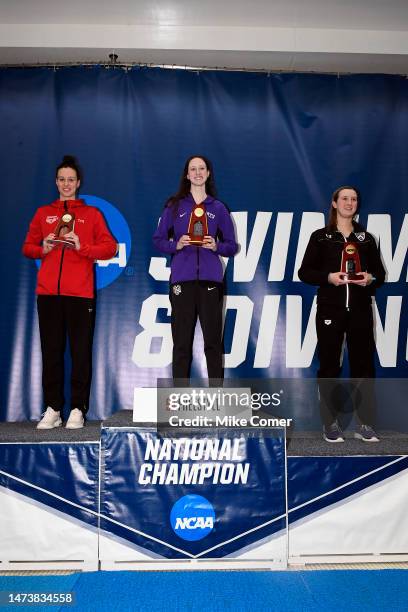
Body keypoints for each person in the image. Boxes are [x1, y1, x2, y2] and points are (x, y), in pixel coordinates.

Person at [23, 155, 117, 429]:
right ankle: (53, 408)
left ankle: (77, 408)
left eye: (71, 180)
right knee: (51, 352)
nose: (66, 184)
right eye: (62, 179)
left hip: (80, 295)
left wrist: (82, 248)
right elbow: (27, 247)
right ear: (56, 182)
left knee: (80, 352)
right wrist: (44, 247)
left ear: (78, 183)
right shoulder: (43, 213)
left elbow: (110, 248)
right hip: (49, 294)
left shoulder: (91, 215)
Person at [298, 186, 385, 443]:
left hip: (360, 309)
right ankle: (330, 423)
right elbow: (304, 272)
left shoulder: (366, 238)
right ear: (334, 203)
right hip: (330, 308)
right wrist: (328, 278)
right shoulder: (321, 237)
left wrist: (370, 278)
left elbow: (379, 275)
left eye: (354, 199)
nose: (350, 202)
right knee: (329, 365)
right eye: (344, 199)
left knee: (364, 366)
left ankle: (365, 424)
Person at [153, 155, 238, 381]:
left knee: (213, 343)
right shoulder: (174, 206)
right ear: (187, 174)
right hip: (182, 280)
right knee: (181, 343)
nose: (198, 172)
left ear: (208, 173)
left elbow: (231, 246)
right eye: (193, 169)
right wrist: (176, 244)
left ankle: (216, 399)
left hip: (211, 280)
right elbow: (158, 239)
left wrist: (216, 245)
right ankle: (179, 398)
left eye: (202, 168)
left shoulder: (218, 208)